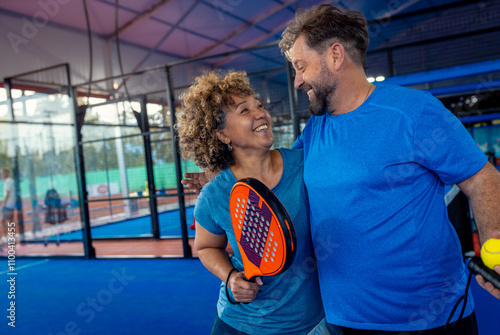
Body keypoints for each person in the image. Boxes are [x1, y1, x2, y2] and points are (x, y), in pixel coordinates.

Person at [276, 4, 500, 334]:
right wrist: (222, 177)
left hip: (434, 318)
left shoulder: (414, 111)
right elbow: (277, 176)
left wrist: (495, 243)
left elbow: (481, 177)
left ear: (336, 55)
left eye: (300, 66)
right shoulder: (313, 131)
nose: (297, 81)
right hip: (347, 320)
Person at [176, 70, 334, 335]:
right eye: (244, 110)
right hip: (240, 324)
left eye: (259, 106)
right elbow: (205, 247)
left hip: (311, 324)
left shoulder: (305, 165)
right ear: (223, 135)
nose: (260, 113)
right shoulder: (214, 195)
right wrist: (230, 278)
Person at [1, 168, 16, 246]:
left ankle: (7, 238)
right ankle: (10, 238)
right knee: (9, 221)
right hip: (10, 204)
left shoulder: (8, 182)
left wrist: (3, 203)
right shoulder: (9, 181)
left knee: (4, 221)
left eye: (2, 173)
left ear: (6, 173)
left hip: (8, 205)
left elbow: (7, 194)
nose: (1, 175)